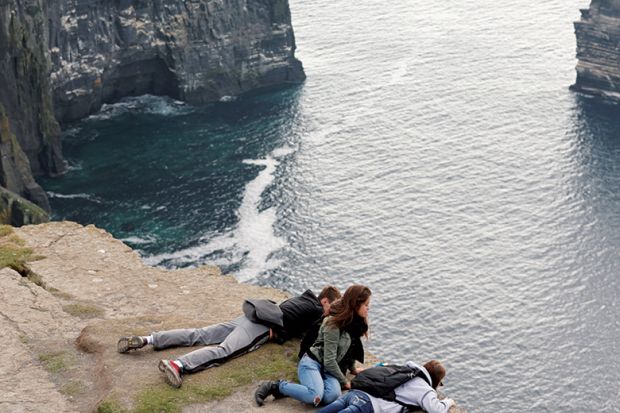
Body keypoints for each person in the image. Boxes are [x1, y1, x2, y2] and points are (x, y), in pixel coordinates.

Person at [117, 285, 341, 388]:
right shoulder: (316, 311)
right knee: (223, 352)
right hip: (259, 329)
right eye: (331, 307)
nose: (330, 312)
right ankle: (178, 364)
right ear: (324, 302)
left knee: (200, 334)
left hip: (246, 317)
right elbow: (308, 335)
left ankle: (148, 339)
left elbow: (293, 321)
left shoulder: (301, 299)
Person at [255, 284, 372, 407]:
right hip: (313, 362)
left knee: (331, 396)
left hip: (328, 369)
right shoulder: (333, 324)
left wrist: (352, 369)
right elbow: (329, 360)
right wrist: (344, 381)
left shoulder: (355, 323)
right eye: (366, 305)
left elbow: (352, 347)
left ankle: (305, 389)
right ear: (355, 304)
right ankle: (276, 387)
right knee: (314, 396)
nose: (368, 308)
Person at [316, 360, 455, 413]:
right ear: (436, 381)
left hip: (355, 392)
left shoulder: (405, 369)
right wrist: (448, 402)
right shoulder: (425, 390)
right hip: (366, 405)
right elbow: (436, 410)